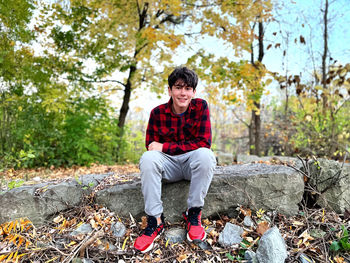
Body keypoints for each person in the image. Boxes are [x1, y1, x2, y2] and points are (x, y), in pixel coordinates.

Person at [134, 67, 216, 253]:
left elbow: (204, 143)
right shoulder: (157, 113)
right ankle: (155, 220)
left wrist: (165, 147)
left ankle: (193, 214)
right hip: (167, 167)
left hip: (190, 165)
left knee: (205, 155)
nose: (183, 93)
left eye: (188, 88)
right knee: (148, 158)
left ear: (193, 92)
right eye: (178, 87)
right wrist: (163, 150)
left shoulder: (201, 107)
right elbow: (151, 147)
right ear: (170, 90)